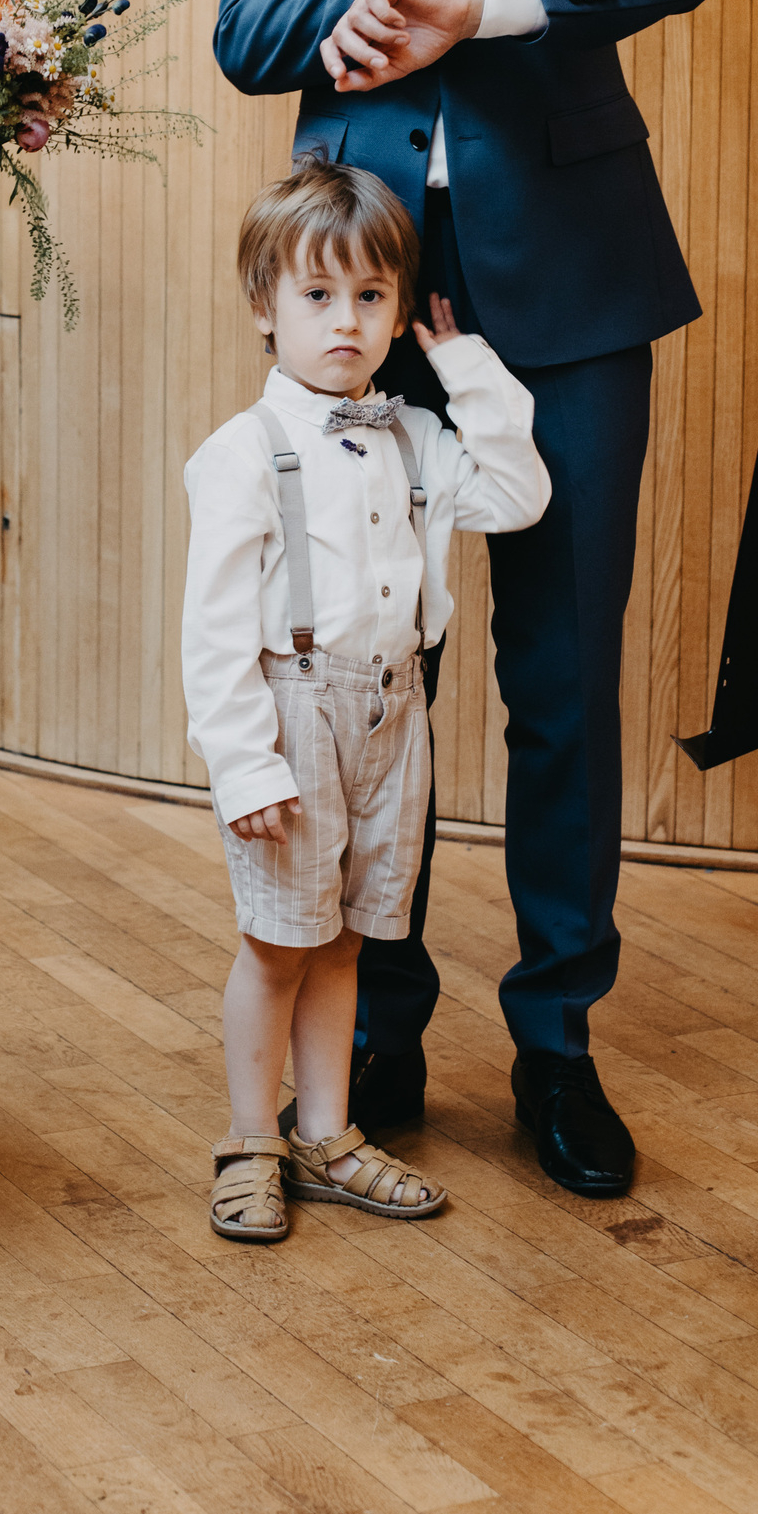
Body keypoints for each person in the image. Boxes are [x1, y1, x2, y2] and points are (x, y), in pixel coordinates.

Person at [215, 0, 728, 1199]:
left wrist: (495, 1)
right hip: (357, 312)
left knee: (565, 681)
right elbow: (246, 23)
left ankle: (561, 1044)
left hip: (573, 301)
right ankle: (379, 1018)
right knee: (368, 676)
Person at [183, 162, 549, 1242]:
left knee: (348, 940)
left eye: (371, 297)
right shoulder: (244, 454)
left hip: (398, 715)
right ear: (264, 306)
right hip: (294, 719)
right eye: (316, 296)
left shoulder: (418, 439)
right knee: (278, 942)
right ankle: (252, 1140)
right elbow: (213, 636)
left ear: (399, 308)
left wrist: (463, 367)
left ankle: (327, 1135)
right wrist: (246, 765)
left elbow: (521, 497)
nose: (346, 321)